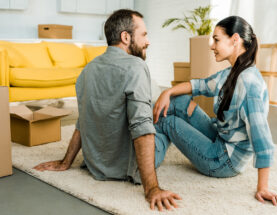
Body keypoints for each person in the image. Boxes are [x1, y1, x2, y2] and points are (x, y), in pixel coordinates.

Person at [33, 9, 181, 211]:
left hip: (97, 167)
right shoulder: (136, 66)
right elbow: (141, 127)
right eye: (144, 35)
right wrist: (152, 188)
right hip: (128, 168)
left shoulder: (87, 71)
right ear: (126, 37)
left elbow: (82, 122)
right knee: (175, 108)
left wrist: (66, 161)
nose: (148, 41)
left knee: (159, 103)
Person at [153, 16, 277, 206]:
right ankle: (145, 130)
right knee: (179, 100)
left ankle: (143, 152)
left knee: (168, 122)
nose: (211, 45)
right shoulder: (231, 73)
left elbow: (262, 141)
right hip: (220, 137)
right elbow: (200, 85)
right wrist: (168, 91)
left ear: (235, 40)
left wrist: (262, 188)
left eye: (216, 39)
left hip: (224, 161)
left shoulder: (249, 85)